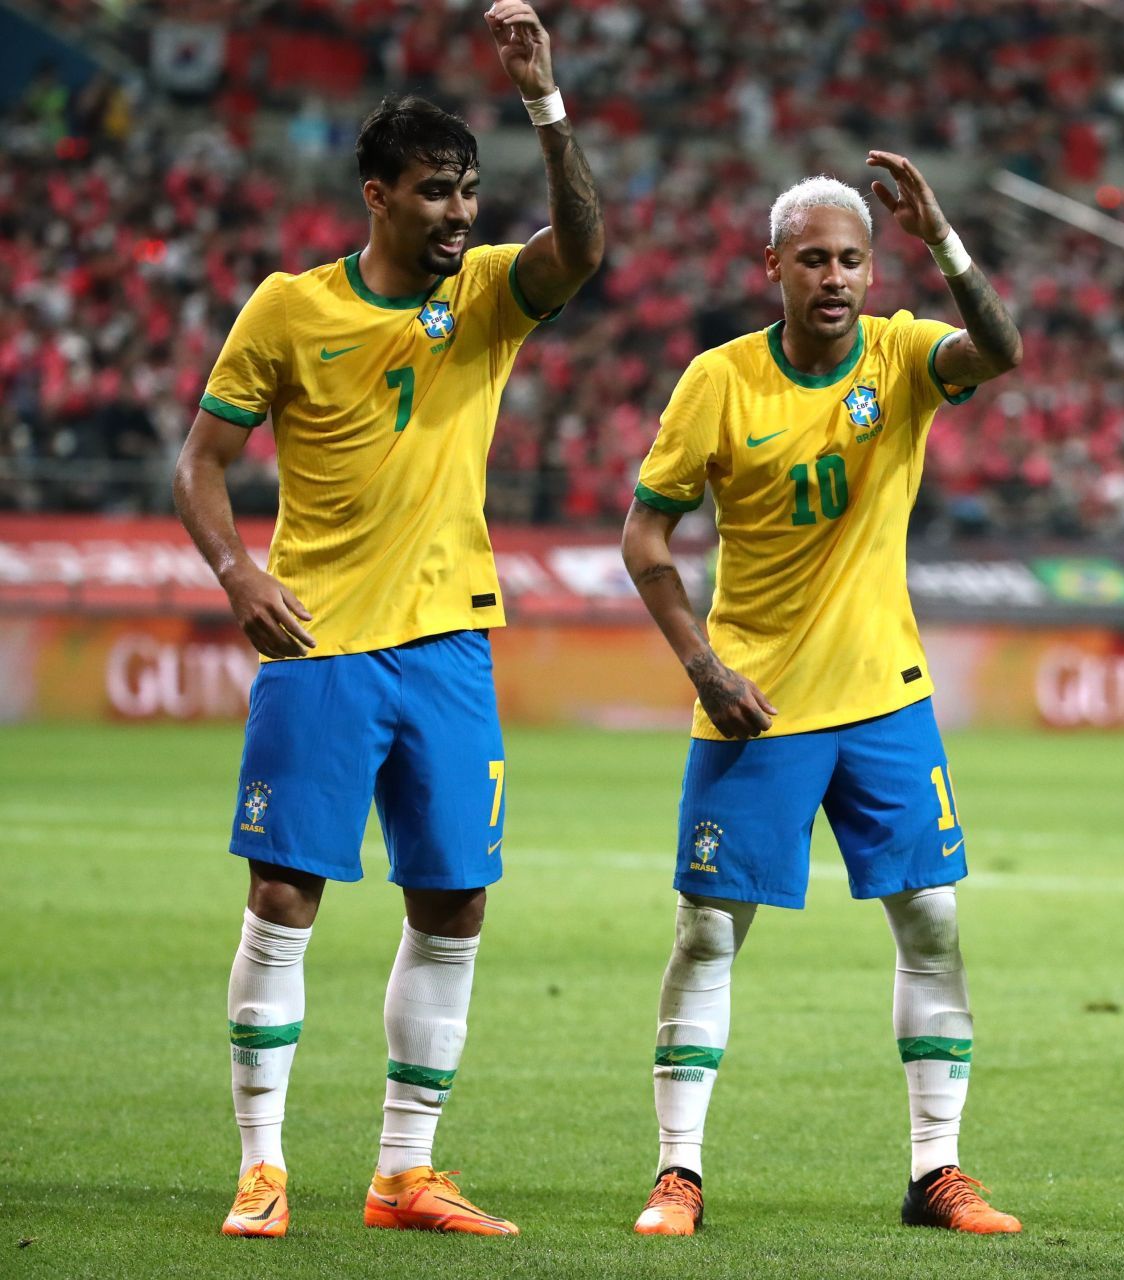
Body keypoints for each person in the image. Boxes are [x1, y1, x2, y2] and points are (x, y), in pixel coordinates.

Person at [172, 1, 601, 1238]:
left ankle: (404, 1171)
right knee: (286, 896)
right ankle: (262, 1164)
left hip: (451, 644)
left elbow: (581, 243)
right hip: (320, 642)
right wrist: (235, 572)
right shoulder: (289, 309)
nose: (460, 212)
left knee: (455, 900)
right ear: (376, 194)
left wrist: (544, 101)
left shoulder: (487, 301)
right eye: (433, 192)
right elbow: (200, 461)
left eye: (468, 190)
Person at [619, 157, 1023, 1237]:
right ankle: (678, 1170)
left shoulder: (901, 355)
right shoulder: (717, 381)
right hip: (756, 696)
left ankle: (937, 1168)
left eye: (852, 258)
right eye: (813, 259)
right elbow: (644, 532)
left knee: (931, 918)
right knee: (709, 928)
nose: (835, 277)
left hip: (885, 695)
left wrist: (946, 240)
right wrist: (702, 664)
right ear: (774, 270)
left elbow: (1002, 349)